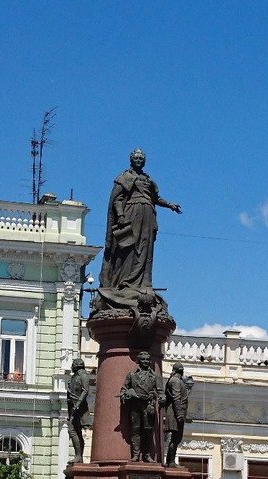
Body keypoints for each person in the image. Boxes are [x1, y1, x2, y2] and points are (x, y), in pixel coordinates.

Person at [96, 149, 181, 312]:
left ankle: (143, 283)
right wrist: (120, 215)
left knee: (145, 250)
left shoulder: (148, 179)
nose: (139, 160)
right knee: (130, 249)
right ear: (131, 160)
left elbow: (155, 199)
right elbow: (117, 199)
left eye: (142, 158)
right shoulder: (125, 177)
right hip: (132, 213)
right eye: (136, 157)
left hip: (148, 215)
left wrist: (170, 205)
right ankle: (124, 282)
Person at [120, 351, 164, 463]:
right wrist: (127, 394)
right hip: (135, 405)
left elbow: (160, 391)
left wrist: (162, 397)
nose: (145, 361)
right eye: (143, 359)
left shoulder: (154, 376)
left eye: (147, 359)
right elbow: (124, 389)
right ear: (138, 361)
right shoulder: (131, 375)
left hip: (148, 406)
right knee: (135, 431)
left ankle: (147, 455)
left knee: (148, 431)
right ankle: (135, 455)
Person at [163, 362, 191, 467]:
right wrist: (179, 414)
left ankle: (171, 461)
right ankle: (170, 462)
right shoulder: (175, 381)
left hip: (176, 412)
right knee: (175, 438)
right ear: (181, 371)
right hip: (174, 413)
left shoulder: (176, 380)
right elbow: (176, 398)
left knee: (176, 438)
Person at [66, 358, 91, 464]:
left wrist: (78, 404)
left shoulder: (83, 375)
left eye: (73, 365)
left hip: (79, 407)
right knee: (75, 431)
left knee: (72, 430)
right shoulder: (74, 376)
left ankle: (79, 456)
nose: (71, 367)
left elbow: (85, 390)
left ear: (77, 365)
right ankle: (79, 456)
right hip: (73, 406)